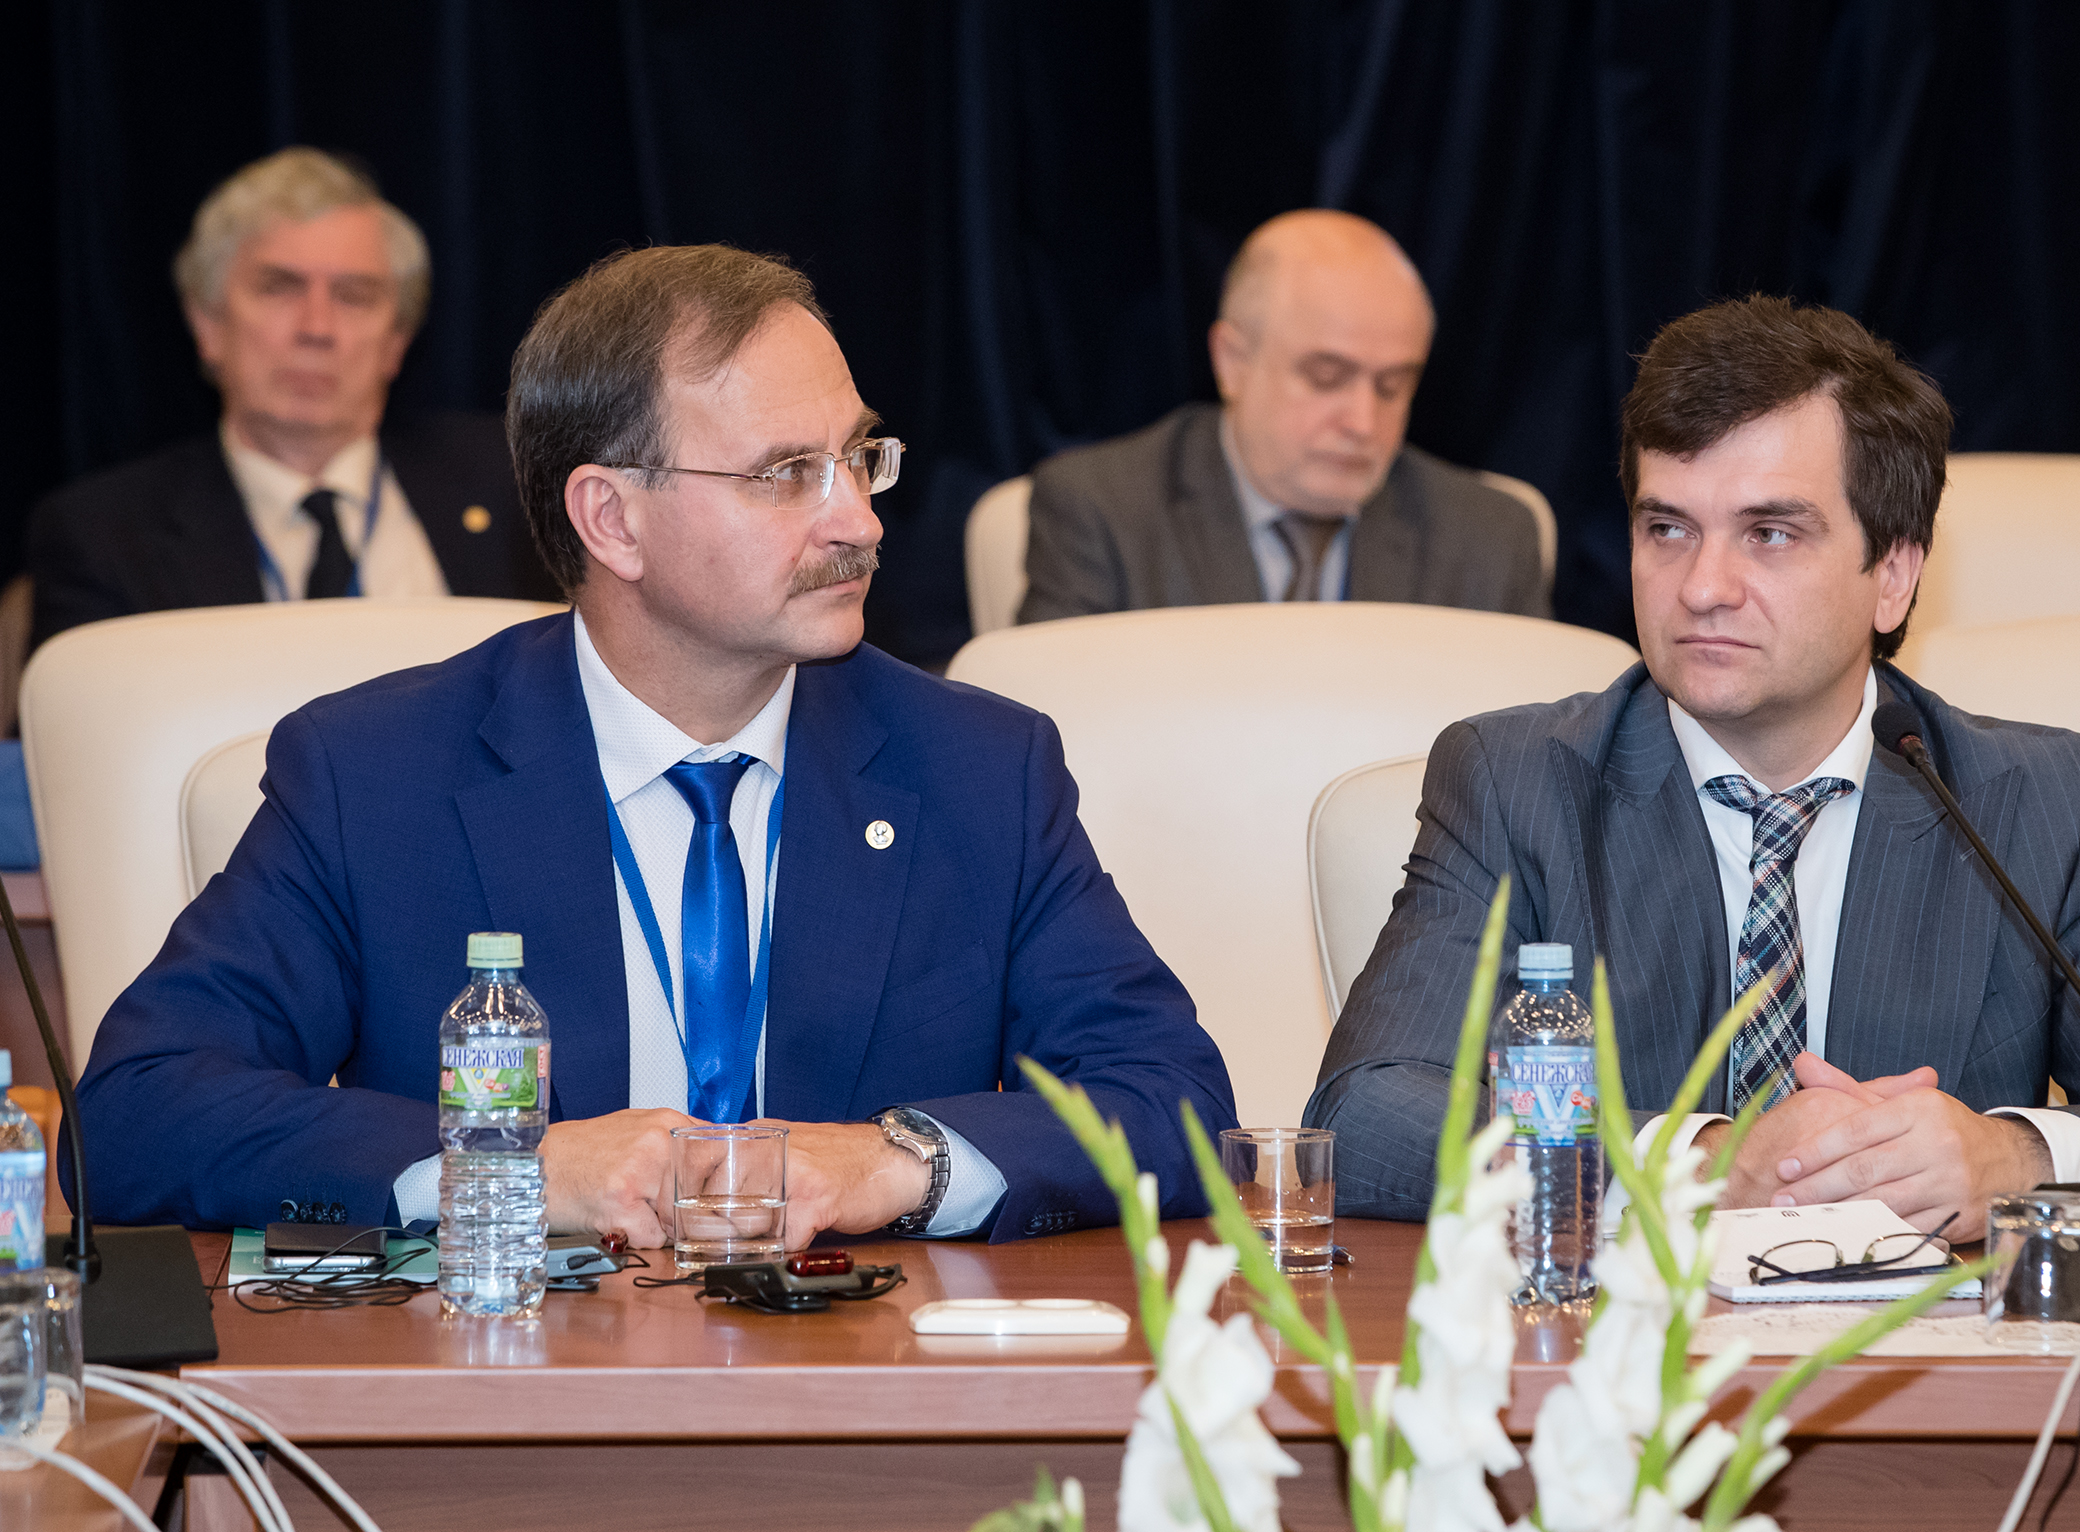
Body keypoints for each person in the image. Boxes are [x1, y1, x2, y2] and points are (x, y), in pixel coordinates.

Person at [78, 244, 1237, 1247]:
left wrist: (892, 1163)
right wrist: (515, 1167)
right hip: (505, 1390)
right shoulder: (375, 775)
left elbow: (1173, 1098)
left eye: (858, 456)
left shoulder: (978, 768)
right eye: (787, 474)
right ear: (611, 519)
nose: (857, 519)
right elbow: (138, 1110)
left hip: (861, 1385)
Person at [1307, 295, 2080, 1231]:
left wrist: (2010, 1157)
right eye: (1668, 529)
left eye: (1770, 533)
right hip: (1623, 1344)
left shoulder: (2032, 802)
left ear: (1893, 574)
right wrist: (1696, 1163)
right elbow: (1367, 1115)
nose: (1703, 586)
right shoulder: (1516, 782)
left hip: (1929, 1349)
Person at [25, 147, 554, 652]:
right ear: (207, 324)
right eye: (278, 288)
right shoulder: (104, 536)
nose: (316, 328)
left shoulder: (520, 484)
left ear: (396, 342)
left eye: (353, 296)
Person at [1018, 210, 1550, 623]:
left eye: (1392, 386)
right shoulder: (1102, 511)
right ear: (1232, 362)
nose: (1364, 423)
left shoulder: (1492, 541)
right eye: (1327, 377)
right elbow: (1055, 718)